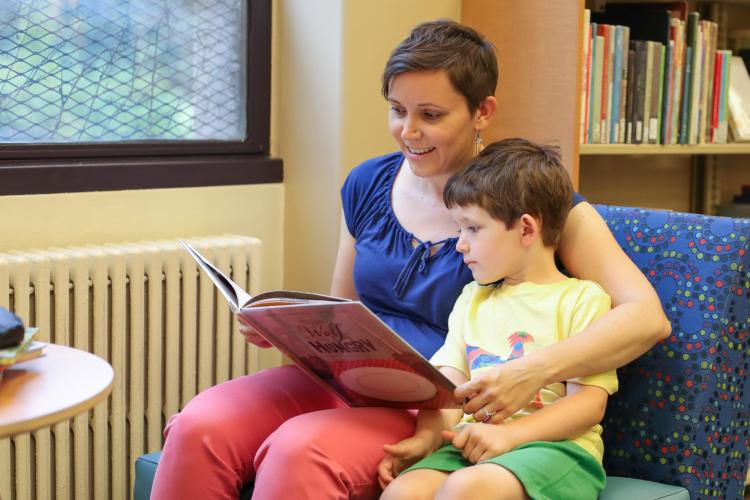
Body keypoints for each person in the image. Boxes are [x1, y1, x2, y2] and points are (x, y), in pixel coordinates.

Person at [150, 19, 670, 500]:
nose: (408, 132)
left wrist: (531, 372)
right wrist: (286, 326)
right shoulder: (367, 183)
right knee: (202, 424)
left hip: (431, 406)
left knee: (300, 450)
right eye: (398, 110)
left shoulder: (528, 204)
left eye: (431, 115)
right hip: (348, 381)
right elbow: (343, 305)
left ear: (482, 112)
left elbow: (646, 318)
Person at [378, 138, 617, 500]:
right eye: (459, 229)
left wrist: (509, 436)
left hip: (556, 449)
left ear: (525, 229)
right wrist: (426, 438)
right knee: (403, 491)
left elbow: (588, 404)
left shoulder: (582, 299)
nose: (460, 244)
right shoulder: (472, 299)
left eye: (472, 229)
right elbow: (449, 389)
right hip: (472, 446)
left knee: (466, 488)